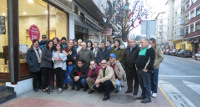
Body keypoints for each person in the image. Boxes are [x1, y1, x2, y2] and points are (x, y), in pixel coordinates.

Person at [135, 38, 155, 103]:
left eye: (142, 42)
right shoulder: (140, 49)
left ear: (147, 42)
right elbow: (137, 58)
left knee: (146, 84)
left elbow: (151, 60)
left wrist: (146, 68)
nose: (141, 44)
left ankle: (148, 97)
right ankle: (143, 95)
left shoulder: (150, 49)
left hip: (145, 70)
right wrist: (136, 66)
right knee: (141, 83)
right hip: (139, 70)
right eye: (140, 42)